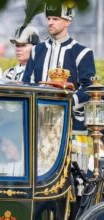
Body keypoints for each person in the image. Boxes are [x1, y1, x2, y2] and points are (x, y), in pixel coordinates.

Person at [22, 1, 96, 172]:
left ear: (67, 21)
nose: (50, 22)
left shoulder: (83, 52)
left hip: (72, 125)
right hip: (38, 122)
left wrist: (66, 103)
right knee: (37, 170)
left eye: (55, 18)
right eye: (48, 18)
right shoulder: (36, 51)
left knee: (76, 173)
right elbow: (28, 84)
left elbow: (89, 88)